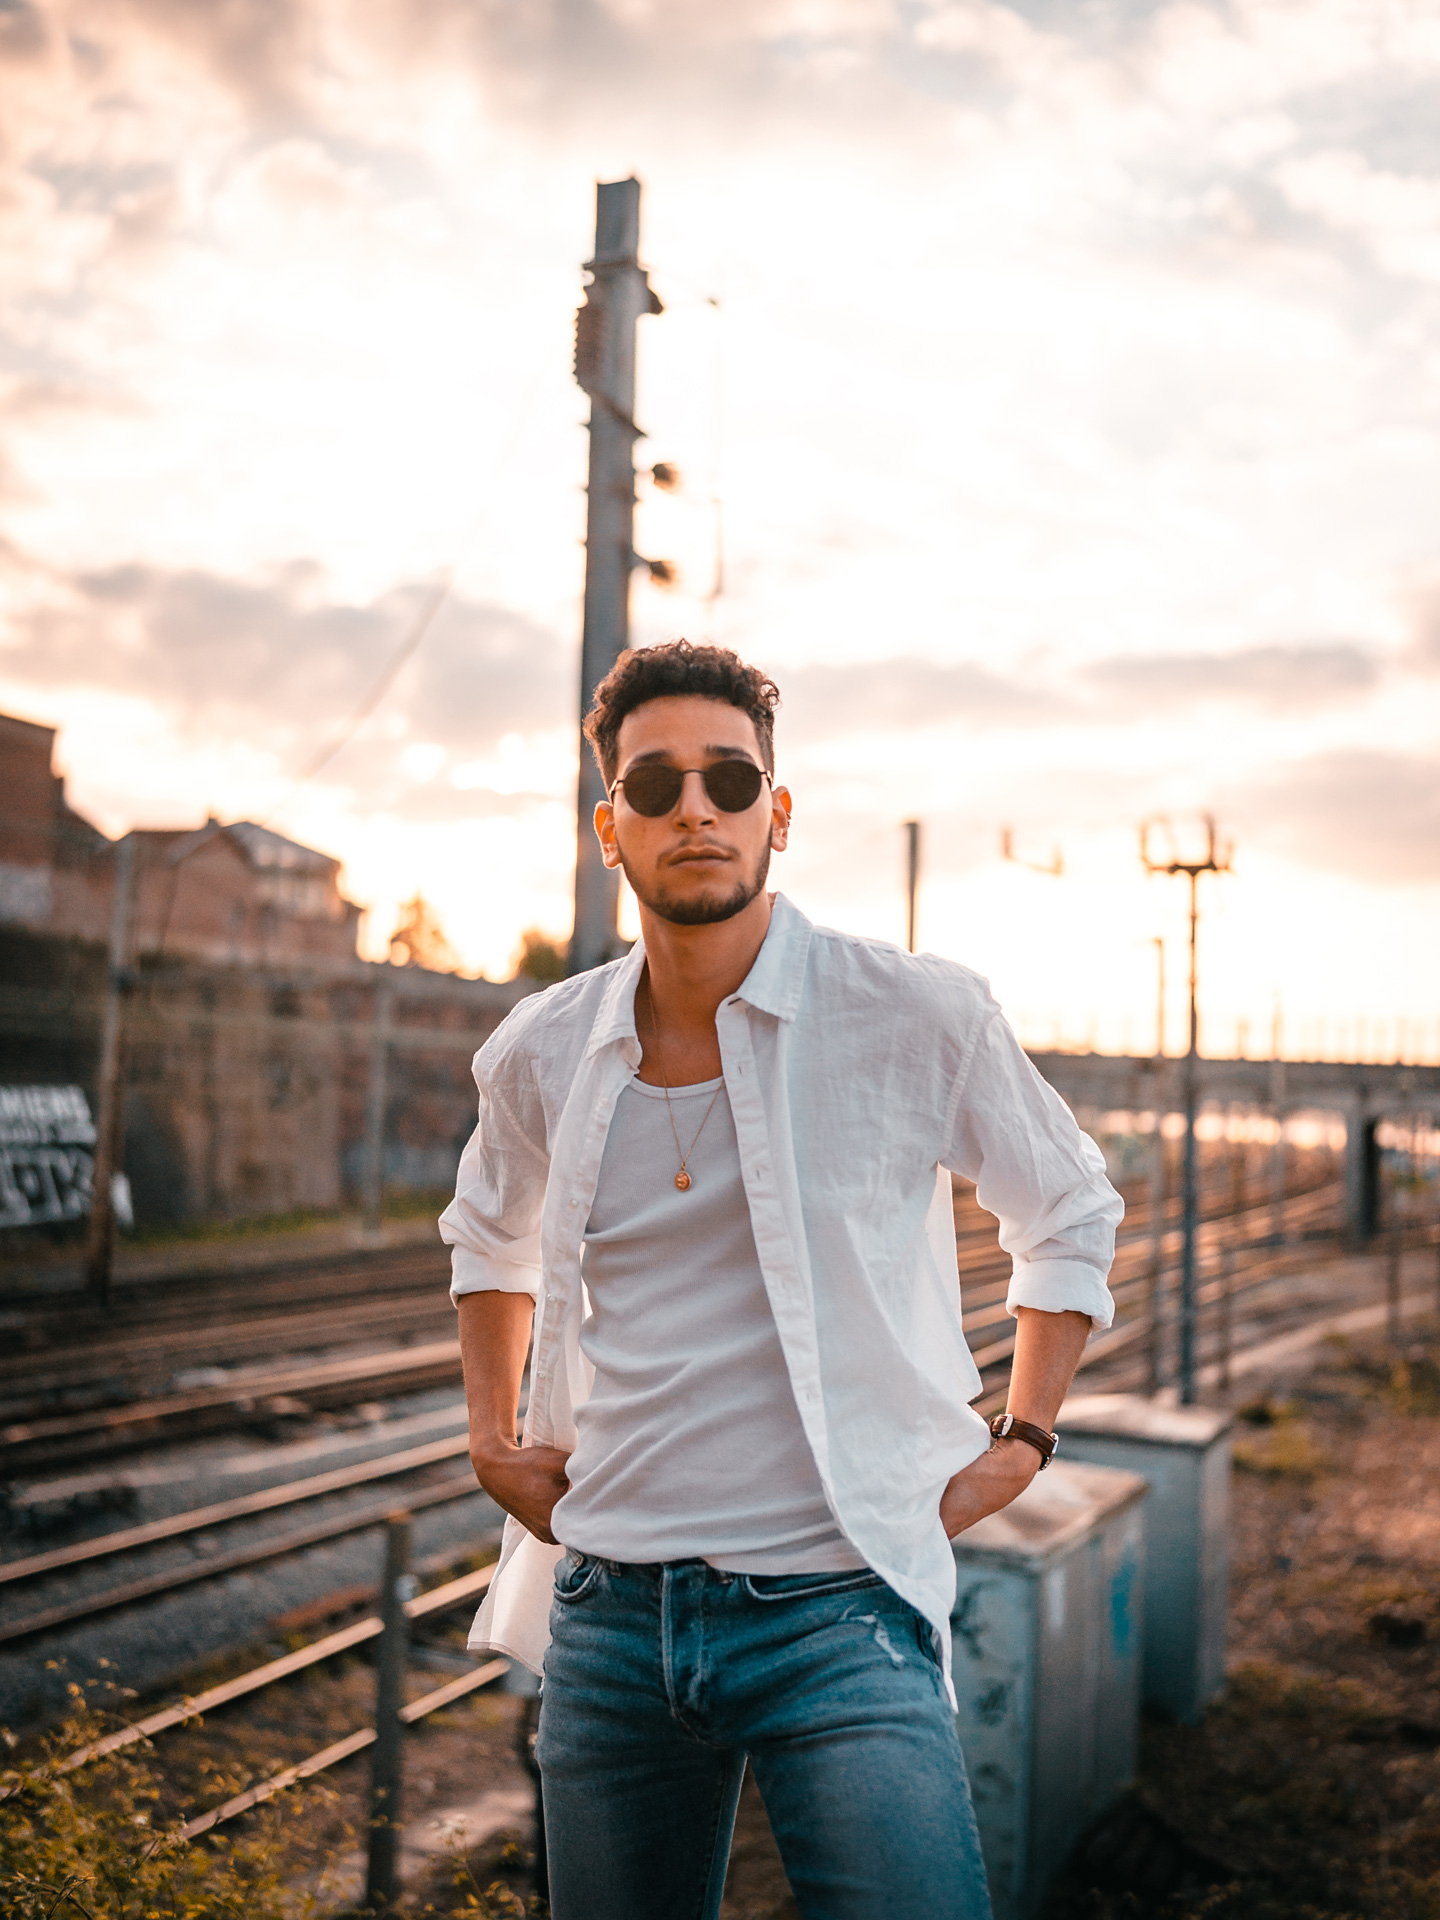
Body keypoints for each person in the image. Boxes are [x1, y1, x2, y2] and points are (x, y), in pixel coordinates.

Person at [441, 639, 1123, 1920]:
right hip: (611, 1620)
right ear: (611, 829)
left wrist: (1024, 1437)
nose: (694, 808)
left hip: (839, 1613)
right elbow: (489, 1233)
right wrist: (491, 1436)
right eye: (653, 788)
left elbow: (1070, 1203)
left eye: (729, 779)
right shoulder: (542, 1047)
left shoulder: (914, 1015)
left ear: (778, 812)